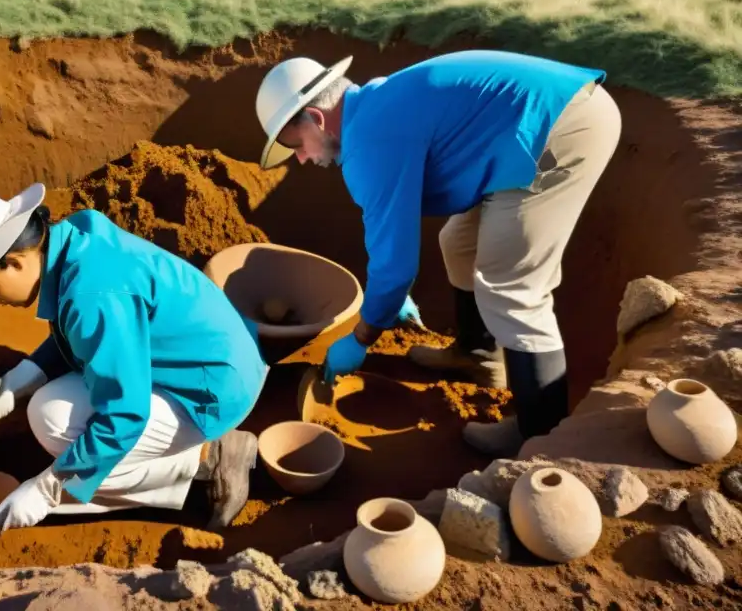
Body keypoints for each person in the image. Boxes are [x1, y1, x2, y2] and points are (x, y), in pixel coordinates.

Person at [252, 49, 621, 458]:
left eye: (297, 145)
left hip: (560, 128)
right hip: (537, 124)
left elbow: (395, 264)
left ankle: (541, 436)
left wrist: (363, 335)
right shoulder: (376, 109)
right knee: (458, 242)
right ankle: (478, 356)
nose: (302, 159)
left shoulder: (370, 141)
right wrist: (390, 296)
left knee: (512, 287)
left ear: (317, 119)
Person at [0, 184, 268, 532]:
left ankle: (210, 459)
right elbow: (87, 334)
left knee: (56, 426)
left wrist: (47, 489)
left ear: (14, 262)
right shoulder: (76, 237)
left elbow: (125, 415)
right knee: (47, 409)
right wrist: (18, 380)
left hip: (213, 390)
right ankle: (196, 457)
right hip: (206, 356)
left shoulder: (92, 294)